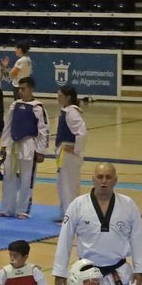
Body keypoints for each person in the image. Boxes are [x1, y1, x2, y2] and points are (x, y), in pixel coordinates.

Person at [0, 77, 50, 220]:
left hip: (29, 145)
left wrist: (41, 151)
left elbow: (44, 130)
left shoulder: (38, 107)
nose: (20, 91)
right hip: (13, 146)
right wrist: (4, 144)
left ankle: (23, 209)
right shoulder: (15, 105)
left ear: (31, 88)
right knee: (9, 177)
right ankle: (7, 208)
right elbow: (7, 125)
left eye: (24, 88)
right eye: (19, 89)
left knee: (27, 178)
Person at [54, 86, 86, 223]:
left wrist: (76, 149)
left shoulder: (72, 113)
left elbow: (82, 132)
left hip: (69, 155)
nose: (58, 98)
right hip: (63, 154)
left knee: (69, 186)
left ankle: (71, 217)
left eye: (60, 95)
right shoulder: (66, 111)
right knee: (62, 185)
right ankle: (65, 214)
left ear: (68, 97)